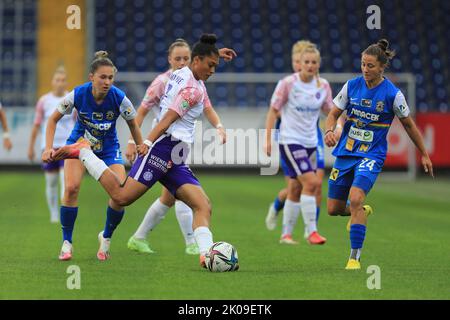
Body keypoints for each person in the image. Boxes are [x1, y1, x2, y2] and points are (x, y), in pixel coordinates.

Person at [52, 34, 226, 269]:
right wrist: (146, 142)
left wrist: (216, 53)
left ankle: (207, 256)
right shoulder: (191, 91)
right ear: (197, 61)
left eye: (215, 65)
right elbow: (167, 119)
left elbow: (194, 61)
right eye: (211, 65)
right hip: (163, 149)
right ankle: (84, 152)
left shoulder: (183, 72)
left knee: (203, 205)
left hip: (177, 156)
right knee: (121, 197)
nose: (213, 70)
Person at [324, 39, 433, 270]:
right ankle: (360, 212)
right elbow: (332, 114)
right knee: (333, 209)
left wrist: (423, 153)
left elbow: (409, 126)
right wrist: (329, 131)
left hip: (371, 156)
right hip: (346, 152)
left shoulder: (393, 94)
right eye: (363, 64)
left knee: (355, 197)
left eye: (370, 65)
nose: (365, 69)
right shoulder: (351, 86)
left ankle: (354, 258)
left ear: (382, 67)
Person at [125, 39, 234, 255]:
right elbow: (159, 116)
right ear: (170, 60)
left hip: (177, 149)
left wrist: (216, 54)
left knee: (186, 200)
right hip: (163, 144)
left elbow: (206, 101)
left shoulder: (187, 74)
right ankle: (190, 243)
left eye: (185, 58)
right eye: (178, 58)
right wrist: (139, 141)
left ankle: (201, 252)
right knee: (123, 197)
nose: (182, 61)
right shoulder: (176, 85)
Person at [42, 51, 144, 261]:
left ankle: (105, 237)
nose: (107, 82)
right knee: (70, 188)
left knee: (120, 195)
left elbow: (133, 123)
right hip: (78, 145)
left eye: (110, 78)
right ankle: (67, 243)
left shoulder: (119, 98)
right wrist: (47, 147)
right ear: (91, 77)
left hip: (108, 148)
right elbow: (52, 120)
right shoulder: (78, 94)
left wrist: (139, 146)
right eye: (102, 77)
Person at [265, 40, 343, 238]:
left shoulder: (322, 85)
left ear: (318, 64)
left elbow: (330, 111)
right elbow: (274, 111)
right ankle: (311, 231)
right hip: (290, 140)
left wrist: (339, 125)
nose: (308, 66)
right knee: (309, 184)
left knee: (303, 186)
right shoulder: (288, 84)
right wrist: (267, 140)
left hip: (312, 140)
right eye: (304, 61)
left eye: (313, 62)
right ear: (298, 62)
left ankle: (287, 235)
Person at [28, 66, 76, 223]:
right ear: (52, 82)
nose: (60, 83)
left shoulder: (71, 99)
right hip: (49, 146)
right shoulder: (44, 101)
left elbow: (78, 123)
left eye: (63, 80)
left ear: (66, 82)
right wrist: (31, 147)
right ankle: (54, 213)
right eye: (57, 80)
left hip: (66, 146)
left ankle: (63, 210)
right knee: (51, 182)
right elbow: (36, 125)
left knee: (65, 180)